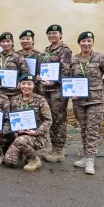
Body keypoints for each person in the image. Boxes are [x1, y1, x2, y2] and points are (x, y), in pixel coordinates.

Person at [70, 32, 104, 175]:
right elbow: (70, 78)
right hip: (79, 100)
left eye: (89, 41)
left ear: (93, 42)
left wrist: (100, 86)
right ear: (79, 43)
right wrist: (71, 90)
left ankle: (91, 159)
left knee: (92, 129)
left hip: (95, 100)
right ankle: (86, 156)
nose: (86, 44)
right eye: (83, 41)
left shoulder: (100, 58)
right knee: (84, 128)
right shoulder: (74, 60)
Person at [4, 73, 52, 171]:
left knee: (21, 141)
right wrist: (15, 130)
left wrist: (37, 132)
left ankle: (34, 159)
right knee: (9, 161)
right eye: (23, 83)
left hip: (37, 136)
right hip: (19, 135)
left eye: (29, 84)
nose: (26, 86)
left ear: (34, 85)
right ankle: (25, 153)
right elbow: (10, 119)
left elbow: (48, 120)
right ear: (19, 85)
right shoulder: (14, 100)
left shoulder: (40, 100)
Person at [39, 24, 72, 163]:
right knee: (50, 118)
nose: (52, 35)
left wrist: (53, 82)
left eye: (55, 33)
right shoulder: (47, 51)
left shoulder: (65, 51)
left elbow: (66, 71)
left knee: (59, 119)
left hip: (57, 91)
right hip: (45, 90)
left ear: (61, 35)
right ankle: (54, 148)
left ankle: (59, 150)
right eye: (50, 34)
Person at [0, 32, 29, 98]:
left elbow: (25, 73)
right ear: (0, 43)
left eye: (8, 41)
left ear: (12, 42)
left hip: (14, 93)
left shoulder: (18, 57)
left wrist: (20, 83)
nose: (6, 44)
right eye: (3, 41)